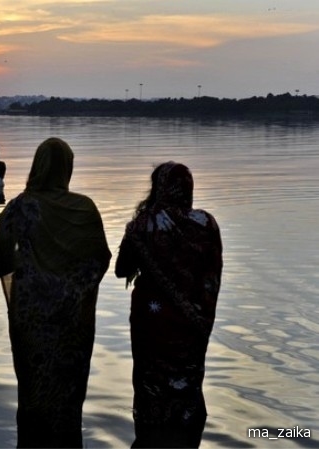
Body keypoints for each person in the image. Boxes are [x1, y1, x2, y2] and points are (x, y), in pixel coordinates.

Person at [0, 137, 111, 448]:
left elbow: (0, 263)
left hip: (31, 321)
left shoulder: (19, 207)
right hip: (74, 320)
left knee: (34, 392)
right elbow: (100, 259)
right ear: (66, 169)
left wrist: (30, 268)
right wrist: (71, 288)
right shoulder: (84, 209)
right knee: (68, 394)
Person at [115, 161, 223, 448]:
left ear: (157, 187)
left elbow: (121, 268)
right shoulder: (206, 224)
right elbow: (212, 274)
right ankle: (186, 423)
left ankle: (152, 426)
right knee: (187, 377)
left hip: (153, 324)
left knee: (152, 379)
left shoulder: (144, 225)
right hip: (192, 325)